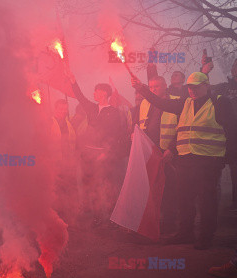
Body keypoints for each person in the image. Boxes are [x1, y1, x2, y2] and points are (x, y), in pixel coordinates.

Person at [132, 72, 237, 249]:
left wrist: (228, 158)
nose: (192, 90)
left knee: (206, 200)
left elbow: (232, 130)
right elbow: (161, 103)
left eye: (196, 86)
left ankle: (205, 237)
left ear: (206, 85)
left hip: (208, 160)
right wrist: (142, 88)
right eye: (190, 87)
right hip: (186, 158)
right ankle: (185, 233)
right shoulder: (185, 103)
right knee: (184, 198)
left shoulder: (220, 102)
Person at [68, 75, 129, 227]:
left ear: (103, 93)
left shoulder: (114, 112)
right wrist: (73, 81)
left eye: (96, 91)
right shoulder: (92, 108)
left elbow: (116, 135)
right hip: (88, 155)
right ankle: (96, 217)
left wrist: (106, 153)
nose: (94, 94)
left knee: (108, 187)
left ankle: (112, 217)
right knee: (91, 186)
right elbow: (80, 96)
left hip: (104, 156)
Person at [136, 76, 180, 234]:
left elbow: (182, 128)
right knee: (153, 189)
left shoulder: (176, 101)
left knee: (170, 190)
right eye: (151, 87)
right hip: (150, 153)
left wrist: (172, 149)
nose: (153, 89)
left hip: (168, 154)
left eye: (157, 86)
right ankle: (155, 222)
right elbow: (140, 125)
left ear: (165, 86)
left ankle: (170, 223)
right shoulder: (145, 102)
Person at [206, 58, 237, 212]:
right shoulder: (224, 87)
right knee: (213, 170)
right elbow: (206, 89)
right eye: (235, 65)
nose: (236, 68)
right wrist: (204, 71)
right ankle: (211, 206)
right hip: (223, 136)